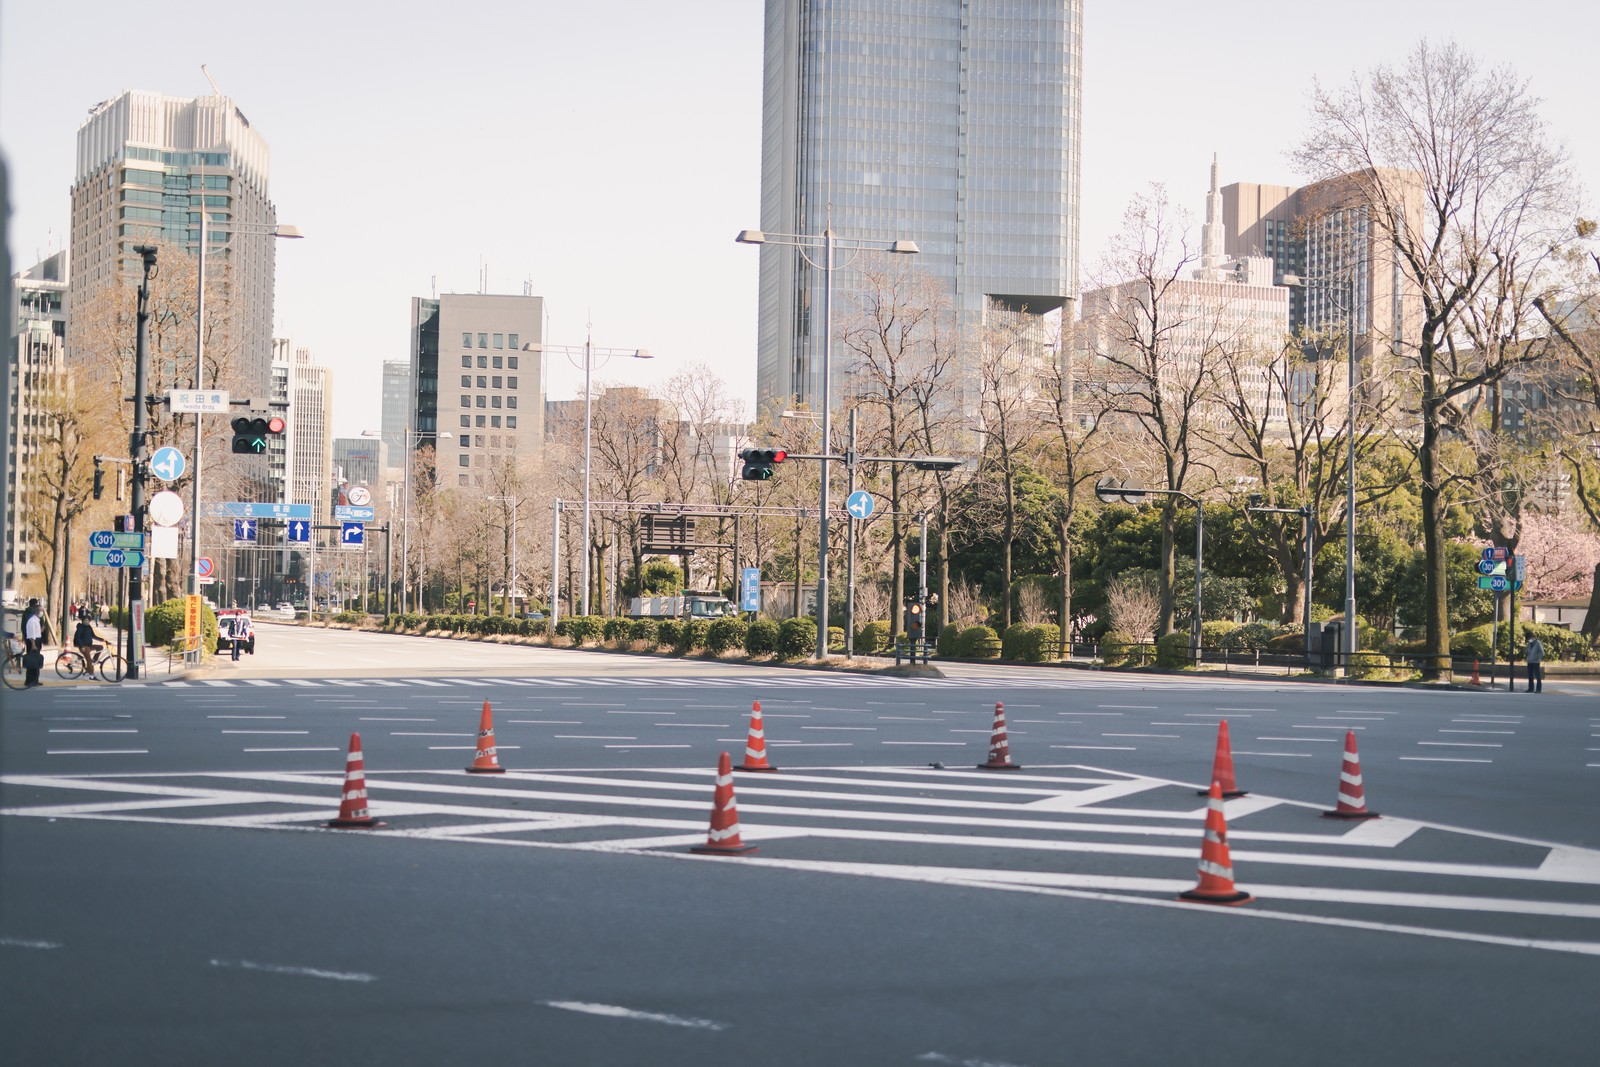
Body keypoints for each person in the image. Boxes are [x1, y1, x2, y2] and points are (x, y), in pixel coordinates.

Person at [22, 598, 44, 687]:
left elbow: (36, 632)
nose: (42, 612)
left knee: (36, 662)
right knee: (32, 662)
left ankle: (35, 679)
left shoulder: (36, 621)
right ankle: (30, 680)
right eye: (41, 611)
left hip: (37, 641)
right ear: (37, 612)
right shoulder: (32, 621)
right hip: (33, 643)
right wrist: (33, 644)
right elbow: (31, 634)